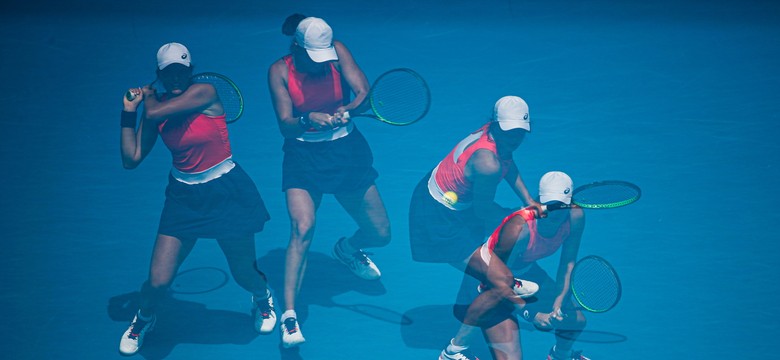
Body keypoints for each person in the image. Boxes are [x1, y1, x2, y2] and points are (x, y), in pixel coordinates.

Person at [117, 42, 275, 356]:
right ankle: (144, 317)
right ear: (159, 74)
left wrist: (147, 98)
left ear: (190, 72)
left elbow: (157, 109)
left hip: (227, 193)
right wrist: (127, 113)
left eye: (181, 71)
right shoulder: (154, 112)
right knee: (158, 282)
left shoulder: (203, 92)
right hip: (183, 198)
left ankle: (262, 298)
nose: (175, 78)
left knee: (243, 272)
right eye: (168, 72)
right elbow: (131, 158)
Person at [267, 16, 391, 348]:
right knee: (302, 228)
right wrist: (308, 119)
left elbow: (363, 91)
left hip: (347, 153)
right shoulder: (279, 71)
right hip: (303, 158)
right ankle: (289, 317)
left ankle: (346, 250)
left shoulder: (338, 51)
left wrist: (347, 108)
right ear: (297, 46)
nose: (323, 60)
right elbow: (285, 124)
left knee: (380, 234)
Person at [407, 95, 544, 360]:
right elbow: (483, 211)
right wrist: (518, 216)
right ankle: (452, 353)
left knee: (498, 265)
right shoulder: (487, 163)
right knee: (500, 279)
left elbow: (508, 160)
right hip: (438, 218)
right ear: (494, 124)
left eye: (519, 132)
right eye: (509, 131)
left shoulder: (497, 140)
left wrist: (527, 201)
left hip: (451, 201)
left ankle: (493, 284)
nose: (514, 138)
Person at [457, 171, 589, 360]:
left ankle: (560, 356)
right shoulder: (520, 229)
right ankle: (452, 354)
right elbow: (498, 283)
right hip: (487, 280)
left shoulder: (576, 217)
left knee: (575, 321)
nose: (555, 212)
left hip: (525, 274)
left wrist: (558, 303)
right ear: (539, 201)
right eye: (550, 205)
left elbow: (567, 264)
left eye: (562, 206)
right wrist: (533, 314)